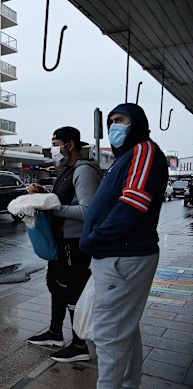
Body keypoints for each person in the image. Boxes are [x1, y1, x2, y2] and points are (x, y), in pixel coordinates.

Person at [80, 103, 168, 389]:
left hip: (123, 255)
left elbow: (133, 203)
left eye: (121, 120)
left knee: (109, 336)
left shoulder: (143, 151)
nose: (114, 127)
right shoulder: (127, 156)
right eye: (111, 122)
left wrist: (96, 237)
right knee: (124, 332)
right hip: (120, 254)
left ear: (137, 123)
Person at [27, 126, 102, 363]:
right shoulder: (68, 170)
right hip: (61, 240)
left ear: (70, 145)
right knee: (56, 284)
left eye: (56, 144)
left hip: (74, 242)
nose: (54, 150)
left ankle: (79, 344)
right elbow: (67, 199)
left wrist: (52, 207)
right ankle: (55, 332)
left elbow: (88, 210)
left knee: (71, 289)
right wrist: (43, 193)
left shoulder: (84, 171)